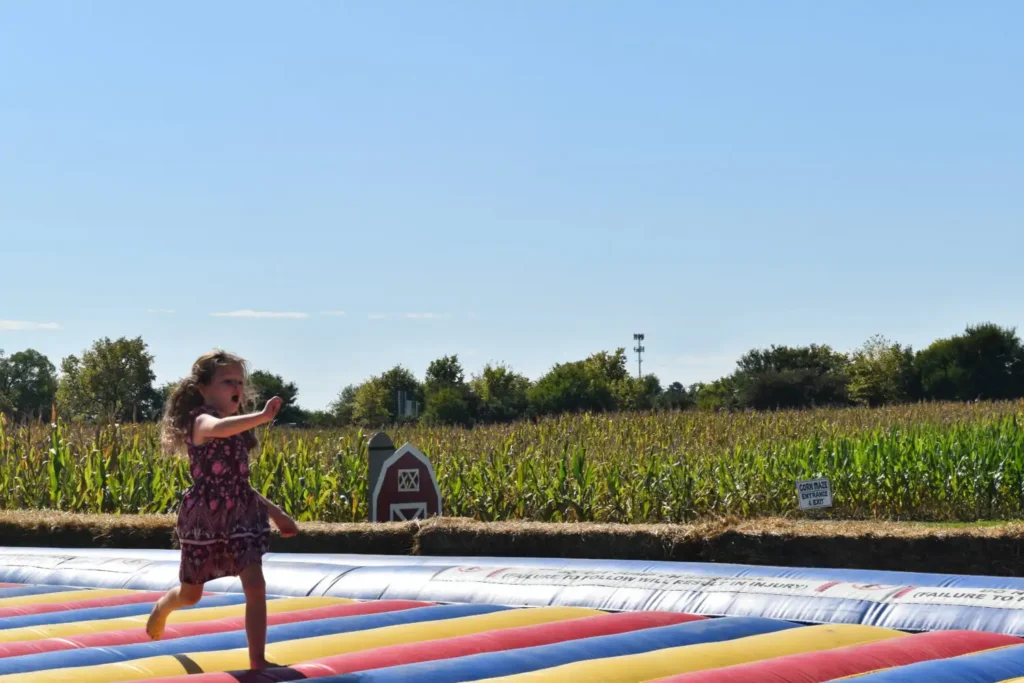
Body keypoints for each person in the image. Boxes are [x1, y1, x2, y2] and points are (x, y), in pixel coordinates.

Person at [146, 349, 298, 670]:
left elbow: (239, 484)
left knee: (255, 584)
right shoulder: (201, 420)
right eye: (228, 381)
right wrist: (262, 417)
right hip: (205, 518)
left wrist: (275, 512)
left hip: (240, 514)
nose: (237, 388)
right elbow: (218, 428)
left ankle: (258, 660)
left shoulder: (237, 431)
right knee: (192, 595)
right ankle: (163, 607)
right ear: (203, 388)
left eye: (240, 382)